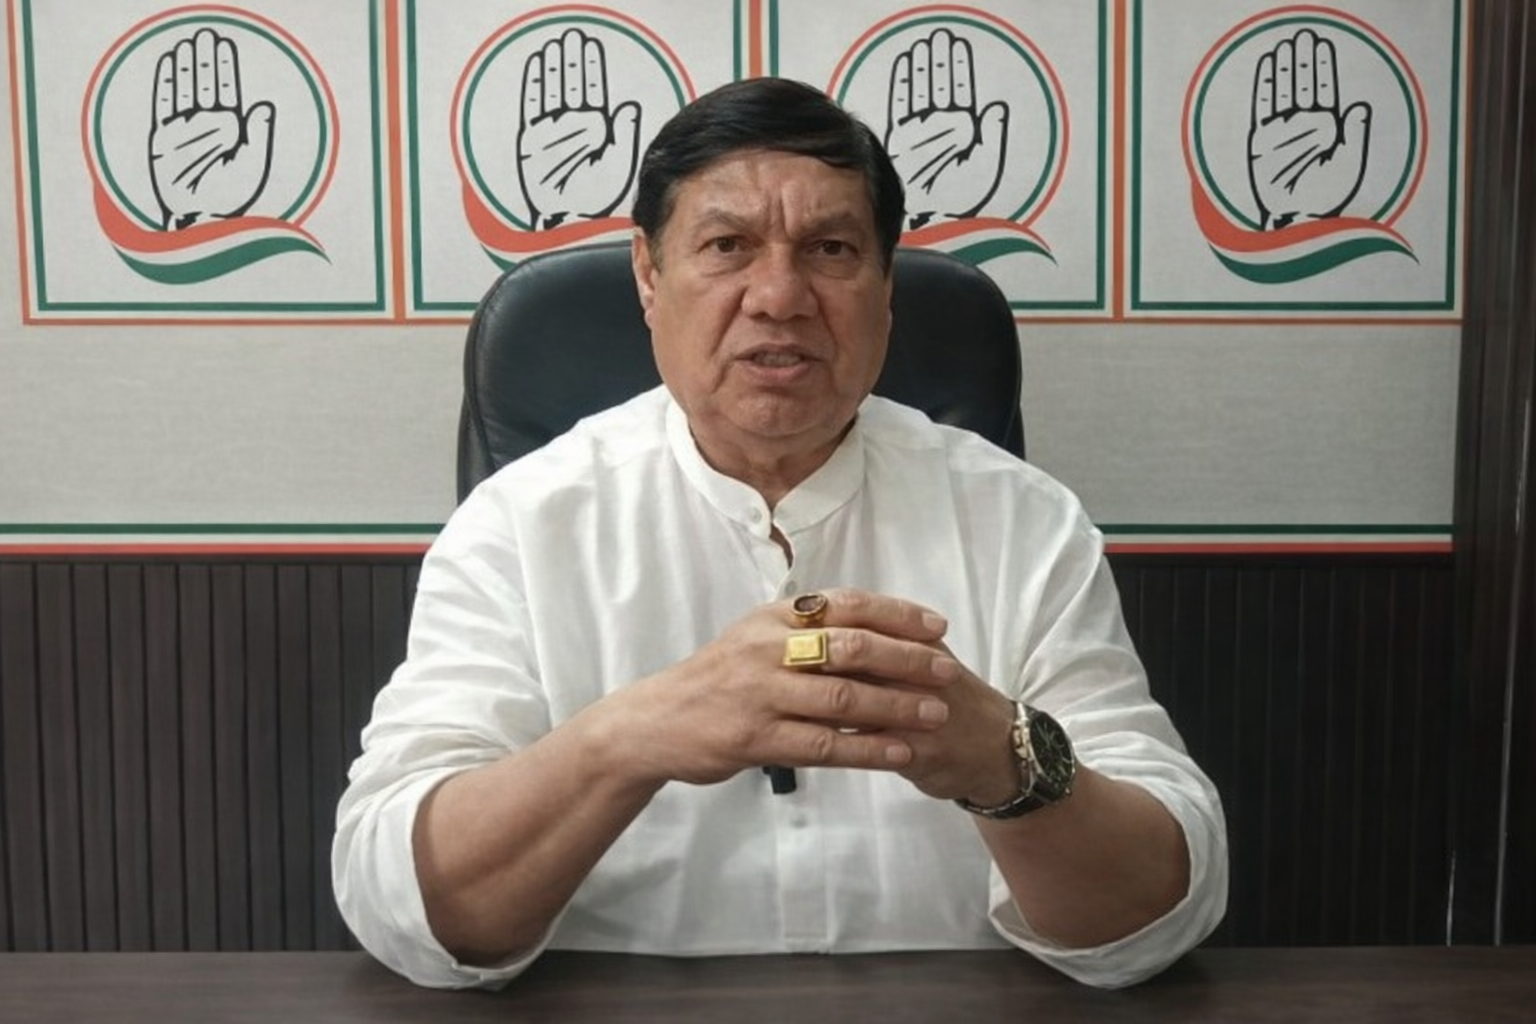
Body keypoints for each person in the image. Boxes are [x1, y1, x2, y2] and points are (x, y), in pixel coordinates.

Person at [333, 77, 1227, 990]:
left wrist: (1003, 761)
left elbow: (1160, 914)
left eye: (830, 249)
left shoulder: (1023, 520)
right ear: (648, 276)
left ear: (885, 288)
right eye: (727, 246)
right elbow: (397, 901)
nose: (778, 296)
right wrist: (627, 738)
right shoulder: (518, 526)